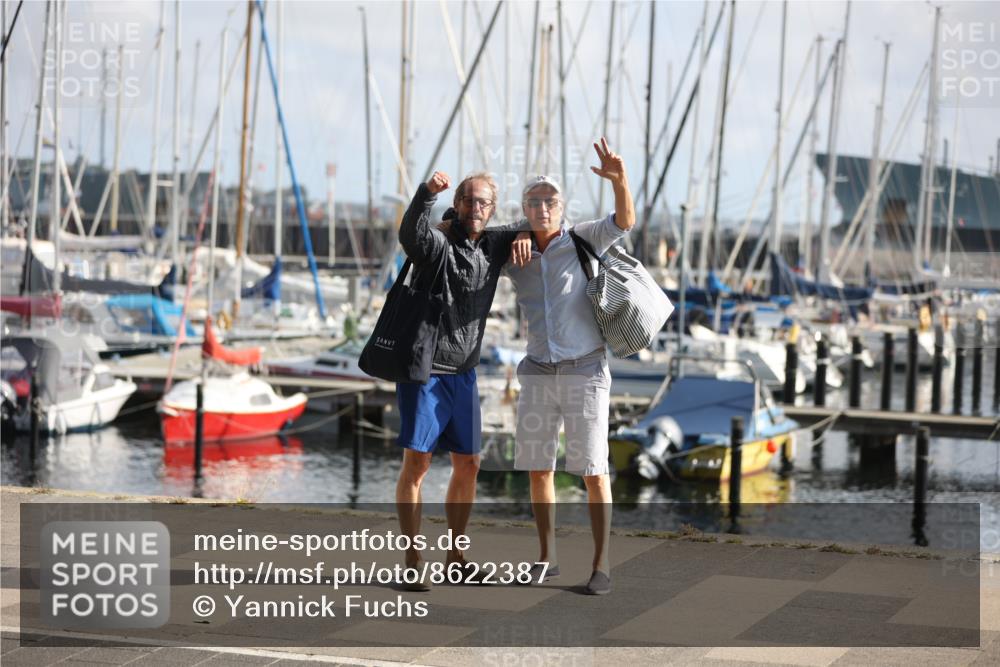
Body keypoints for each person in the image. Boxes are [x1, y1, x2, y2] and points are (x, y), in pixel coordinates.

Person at [504, 137, 635, 595]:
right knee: (539, 468)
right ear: (524, 208)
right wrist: (516, 232)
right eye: (534, 202)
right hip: (539, 369)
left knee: (593, 470)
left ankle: (601, 565)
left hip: (585, 369)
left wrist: (620, 181)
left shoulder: (583, 236)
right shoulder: (514, 248)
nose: (543, 208)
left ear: (562, 207)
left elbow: (624, 221)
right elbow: (469, 234)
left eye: (550, 201)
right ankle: (547, 558)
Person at [394, 170, 530, 590]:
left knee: (469, 464)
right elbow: (410, 235)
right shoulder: (438, 243)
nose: (476, 209)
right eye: (469, 201)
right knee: (417, 465)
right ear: (458, 203)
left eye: (484, 203)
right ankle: (412, 560)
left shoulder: (493, 242)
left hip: (465, 374)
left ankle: (456, 558)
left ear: (492, 208)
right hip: (426, 371)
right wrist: (425, 195)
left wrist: (524, 232)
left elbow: (539, 222)